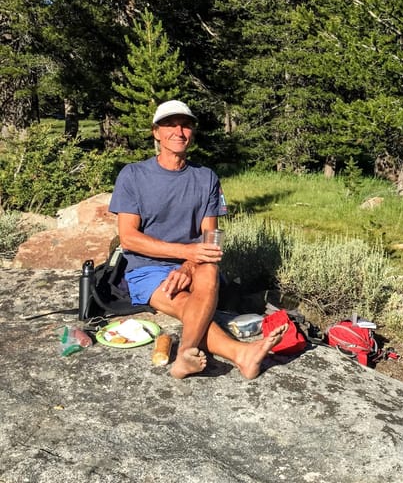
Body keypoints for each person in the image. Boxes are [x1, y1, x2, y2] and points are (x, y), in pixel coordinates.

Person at [109, 100, 287, 379]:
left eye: (185, 125)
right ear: (156, 132)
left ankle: (185, 356)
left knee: (209, 270)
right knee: (184, 305)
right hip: (146, 268)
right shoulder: (133, 175)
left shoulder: (206, 178)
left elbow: (212, 240)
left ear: (192, 131)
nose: (178, 131)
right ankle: (241, 353)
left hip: (194, 264)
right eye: (170, 124)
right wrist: (187, 252)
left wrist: (188, 265)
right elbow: (129, 239)